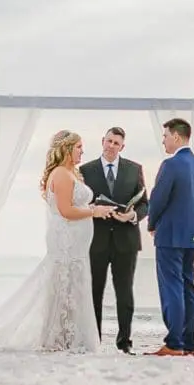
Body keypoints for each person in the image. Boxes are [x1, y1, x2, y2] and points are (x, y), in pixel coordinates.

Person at [0, 131, 114, 351]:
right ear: (66, 148)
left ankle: (68, 338)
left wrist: (95, 209)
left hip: (75, 246)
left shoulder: (71, 173)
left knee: (71, 289)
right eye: (79, 146)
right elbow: (65, 210)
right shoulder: (61, 174)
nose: (83, 151)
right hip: (66, 243)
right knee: (63, 288)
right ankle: (58, 339)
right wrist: (93, 211)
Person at [79, 126, 148, 353]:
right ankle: (94, 340)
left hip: (125, 240)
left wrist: (132, 216)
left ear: (122, 147)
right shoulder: (85, 170)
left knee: (125, 293)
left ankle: (124, 341)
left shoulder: (134, 169)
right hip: (95, 240)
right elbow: (78, 203)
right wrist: (92, 209)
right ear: (102, 141)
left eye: (116, 143)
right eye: (109, 141)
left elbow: (144, 203)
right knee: (94, 292)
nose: (111, 146)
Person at [148, 118, 194, 356]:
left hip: (170, 234)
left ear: (176, 136)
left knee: (171, 287)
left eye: (165, 136)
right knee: (188, 286)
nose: (163, 140)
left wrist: (152, 223)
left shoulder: (170, 165)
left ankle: (174, 343)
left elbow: (158, 198)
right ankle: (189, 343)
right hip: (191, 235)